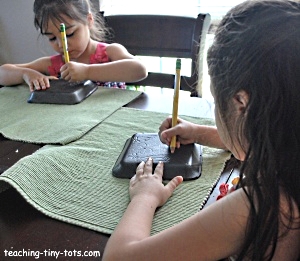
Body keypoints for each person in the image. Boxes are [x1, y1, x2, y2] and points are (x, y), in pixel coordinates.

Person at [103, 0, 300, 260]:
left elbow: (119, 257)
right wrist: (197, 132)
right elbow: (267, 133)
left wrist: (145, 197)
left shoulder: (263, 206)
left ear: (241, 103)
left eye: (216, 101)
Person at [0, 0, 147, 92]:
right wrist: (26, 74)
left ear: (89, 20)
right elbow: (2, 73)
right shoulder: (54, 64)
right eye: (51, 38)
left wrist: (87, 72)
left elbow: (140, 70)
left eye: (69, 34)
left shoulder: (109, 53)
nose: (61, 44)